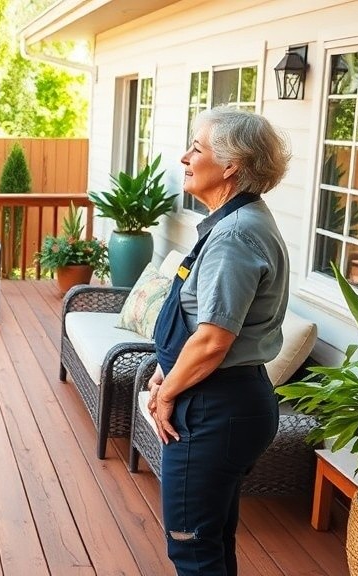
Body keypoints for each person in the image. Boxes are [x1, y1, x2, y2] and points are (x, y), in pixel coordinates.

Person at [146, 107, 291, 576]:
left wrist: (166, 396)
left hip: (215, 409)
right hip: (223, 400)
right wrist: (169, 366)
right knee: (211, 540)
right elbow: (202, 324)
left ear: (231, 165)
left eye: (197, 148)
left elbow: (212, 342)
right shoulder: (237, 222)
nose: (185, 157)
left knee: (193, 549)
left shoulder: (234, 235)